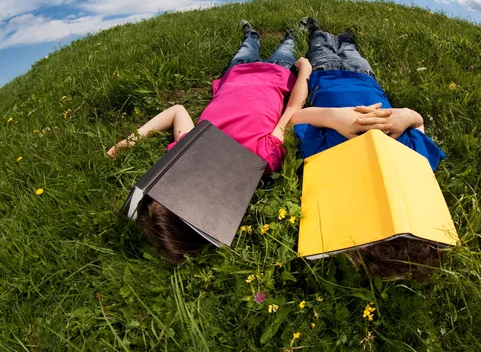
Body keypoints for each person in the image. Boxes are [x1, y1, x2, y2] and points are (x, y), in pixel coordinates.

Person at [107, 21, 389, 263]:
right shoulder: (259, 159)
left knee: (250, 46)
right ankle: (287, 36)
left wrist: (130, 140)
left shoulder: (188, 150)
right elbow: (290, 114)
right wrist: (303, 74)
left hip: (237, 72)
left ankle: (257, 33)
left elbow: (177, 111)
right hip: (278, 73)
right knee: (284, 51)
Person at [291, 18, 446, 280]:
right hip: (364, 76)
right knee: (350, 50)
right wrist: (405, 115)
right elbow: (419, 121)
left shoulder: (328, 162)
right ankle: (346, 38)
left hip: (324, 74)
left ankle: (318, 31)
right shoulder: (414, 163)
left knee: (320, 44)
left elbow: (295, 119)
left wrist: (334, 118)